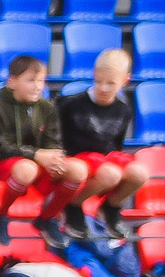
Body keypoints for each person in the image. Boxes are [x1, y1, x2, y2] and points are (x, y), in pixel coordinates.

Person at [0, 54, 87, 242]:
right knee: (26, 169)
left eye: (41, 81)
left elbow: (52, 141)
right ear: (12, 82)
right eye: (31, 81)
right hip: (7, 161)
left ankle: (48, 218)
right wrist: (36, 155)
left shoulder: (47, 108)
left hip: (40, 163)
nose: (37, 86)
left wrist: (54, 159)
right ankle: (0, 215)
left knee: (77, 170)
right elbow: (0, 146)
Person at [57, 49, 149, 239]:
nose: (104, 88)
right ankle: (73, 205)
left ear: (125, 80)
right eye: (99, 81)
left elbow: (116, 145)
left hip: (104, 159)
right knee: (110, 174)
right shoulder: (69, 104)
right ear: (93, 75)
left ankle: (111, 207)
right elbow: (56, 138)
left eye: (111, 83)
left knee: (140, 173)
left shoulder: (123, 110)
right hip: (77, 159)